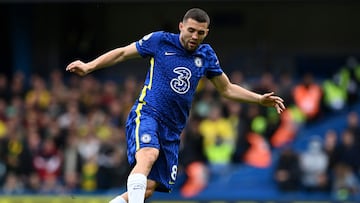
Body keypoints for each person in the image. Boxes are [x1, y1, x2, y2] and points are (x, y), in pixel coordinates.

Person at [66, 8, 286, 203]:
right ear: (181, 26)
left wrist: (258, 99)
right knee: (148, 154)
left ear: (206, 33)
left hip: (172, 130)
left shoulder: (206, 55)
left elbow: (226, 88)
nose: (194, 36)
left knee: (150, 187)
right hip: (148, 113)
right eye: (191, 30)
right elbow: (123, 52)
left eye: (200, 32)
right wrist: (89, 66)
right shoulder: (160, 41)